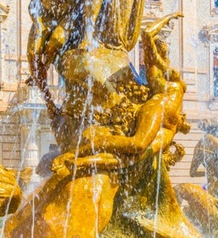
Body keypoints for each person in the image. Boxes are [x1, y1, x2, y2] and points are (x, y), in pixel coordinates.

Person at [54, 12, 189, 173]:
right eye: (163, 49)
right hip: (157, 110)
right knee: (138, 145)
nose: (166, 52)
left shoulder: (172, 78)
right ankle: (81, 151)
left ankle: (84, 162)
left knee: (137, 157)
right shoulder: (162, 71)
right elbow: (146, 34)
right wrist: (167, 18)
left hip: (169, 126)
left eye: (166, 49)